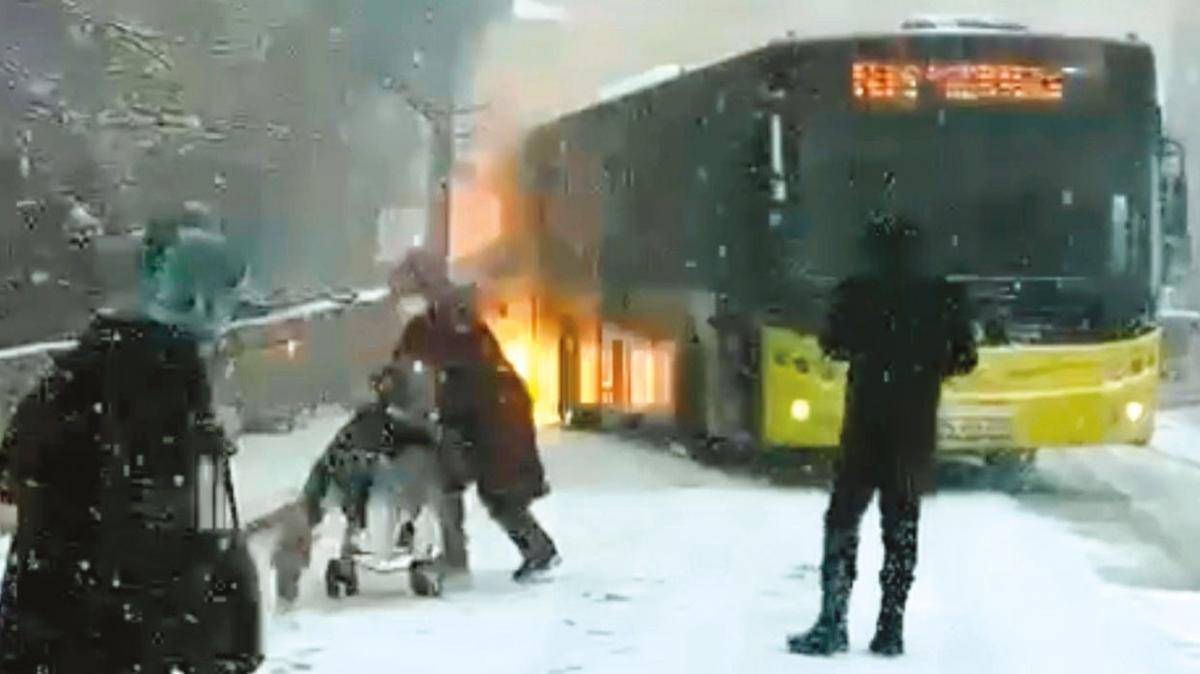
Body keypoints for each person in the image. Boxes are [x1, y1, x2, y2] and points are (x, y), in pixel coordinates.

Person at [0, 214, 262, 672]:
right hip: (115, 646)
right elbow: (198, 528)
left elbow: (15, 464)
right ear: (199, 305)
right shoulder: (170, 396)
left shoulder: (80, 371)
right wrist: (233, 629)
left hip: (41, 635)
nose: (227, 332)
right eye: (228, 310)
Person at [787, 215, 977, 658]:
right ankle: (890, 629)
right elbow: (965, 358)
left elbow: (833, 344)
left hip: (866, 423)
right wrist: (926, 367)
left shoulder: (858, 291)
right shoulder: (944, 297)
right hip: (914, 428)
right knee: (901, 529)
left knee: (842, 520)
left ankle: (832, 622)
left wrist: (873, 353)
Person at [391, 247, 560, 583]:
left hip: (493, 412)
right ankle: (462, 555)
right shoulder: (435, 317)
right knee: (448, 481)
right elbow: (407, 358)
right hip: (475, 413)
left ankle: (535, 551)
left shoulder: (451, 314)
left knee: (497, 491)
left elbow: (454, 354)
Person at [270, 362, 449, 602]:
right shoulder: (369, 420)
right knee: (309, 509)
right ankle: (293, 567)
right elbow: (333, 457)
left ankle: (405, 544)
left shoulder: (404, 423)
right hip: (350, 474)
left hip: (379, 478)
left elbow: (423, 445)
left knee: (404, 495)